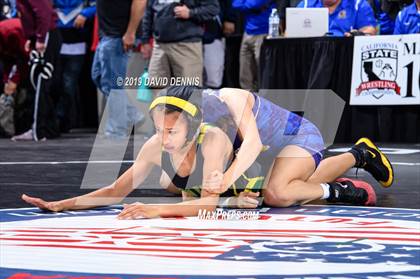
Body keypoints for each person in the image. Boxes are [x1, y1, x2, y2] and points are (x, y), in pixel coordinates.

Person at [22, 86, 385, 219]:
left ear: (195, 122)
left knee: (277, 193)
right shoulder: (183, 129)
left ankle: (344, 177)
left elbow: (254, 145)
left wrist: (223, 181)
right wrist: (62, 204)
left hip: (292, 137)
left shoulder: (229, 102)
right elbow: (117, 189)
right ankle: (355, 155)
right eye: (159, 129)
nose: (163, 138)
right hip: (252, 152)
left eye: (171, 130)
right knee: (177, 184)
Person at [91, 0, 145, 138]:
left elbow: (140, 2)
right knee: (97, 75)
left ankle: (117, 131)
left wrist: (130, 33)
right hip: (107, 34)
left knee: (114, 85)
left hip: (119, 35)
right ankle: (132, 114)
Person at [13, 0, 62, 141]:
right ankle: (48, 128)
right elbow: (29, 15)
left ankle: (39, 130)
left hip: (46, 35)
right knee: (37, 83)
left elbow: (44, 12)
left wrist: (40, 37)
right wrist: (31, 37)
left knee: (41, 83)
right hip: (42, 35)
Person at [140, 0, 219, 88]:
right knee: (156, 87)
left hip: (187, 45)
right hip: (160, 45)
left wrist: (190, 13)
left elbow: (213, 9)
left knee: (188, 91)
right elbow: (148, 12)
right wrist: (145, 40)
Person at [53, 0, 96, 132]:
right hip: (56, 43)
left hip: (78, 43)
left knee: (68, 85)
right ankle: (55, 119)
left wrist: (85, 14)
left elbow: (99, 5)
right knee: (55, 84)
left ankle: (59, 119)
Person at [232, 0, 274, 90]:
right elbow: (235, 4)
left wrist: (246, 4)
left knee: (262, 72)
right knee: (244, 72)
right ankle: (247, 99)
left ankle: (263, 100)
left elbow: (253, 4)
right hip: (247, 33)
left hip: (263, 33)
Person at [297, 0, 377, 36]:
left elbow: (370, 30)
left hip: (346, 56)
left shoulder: (358, 4)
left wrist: (357, 35)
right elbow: (289, 33)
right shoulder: (305, 5)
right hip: (312, 55)